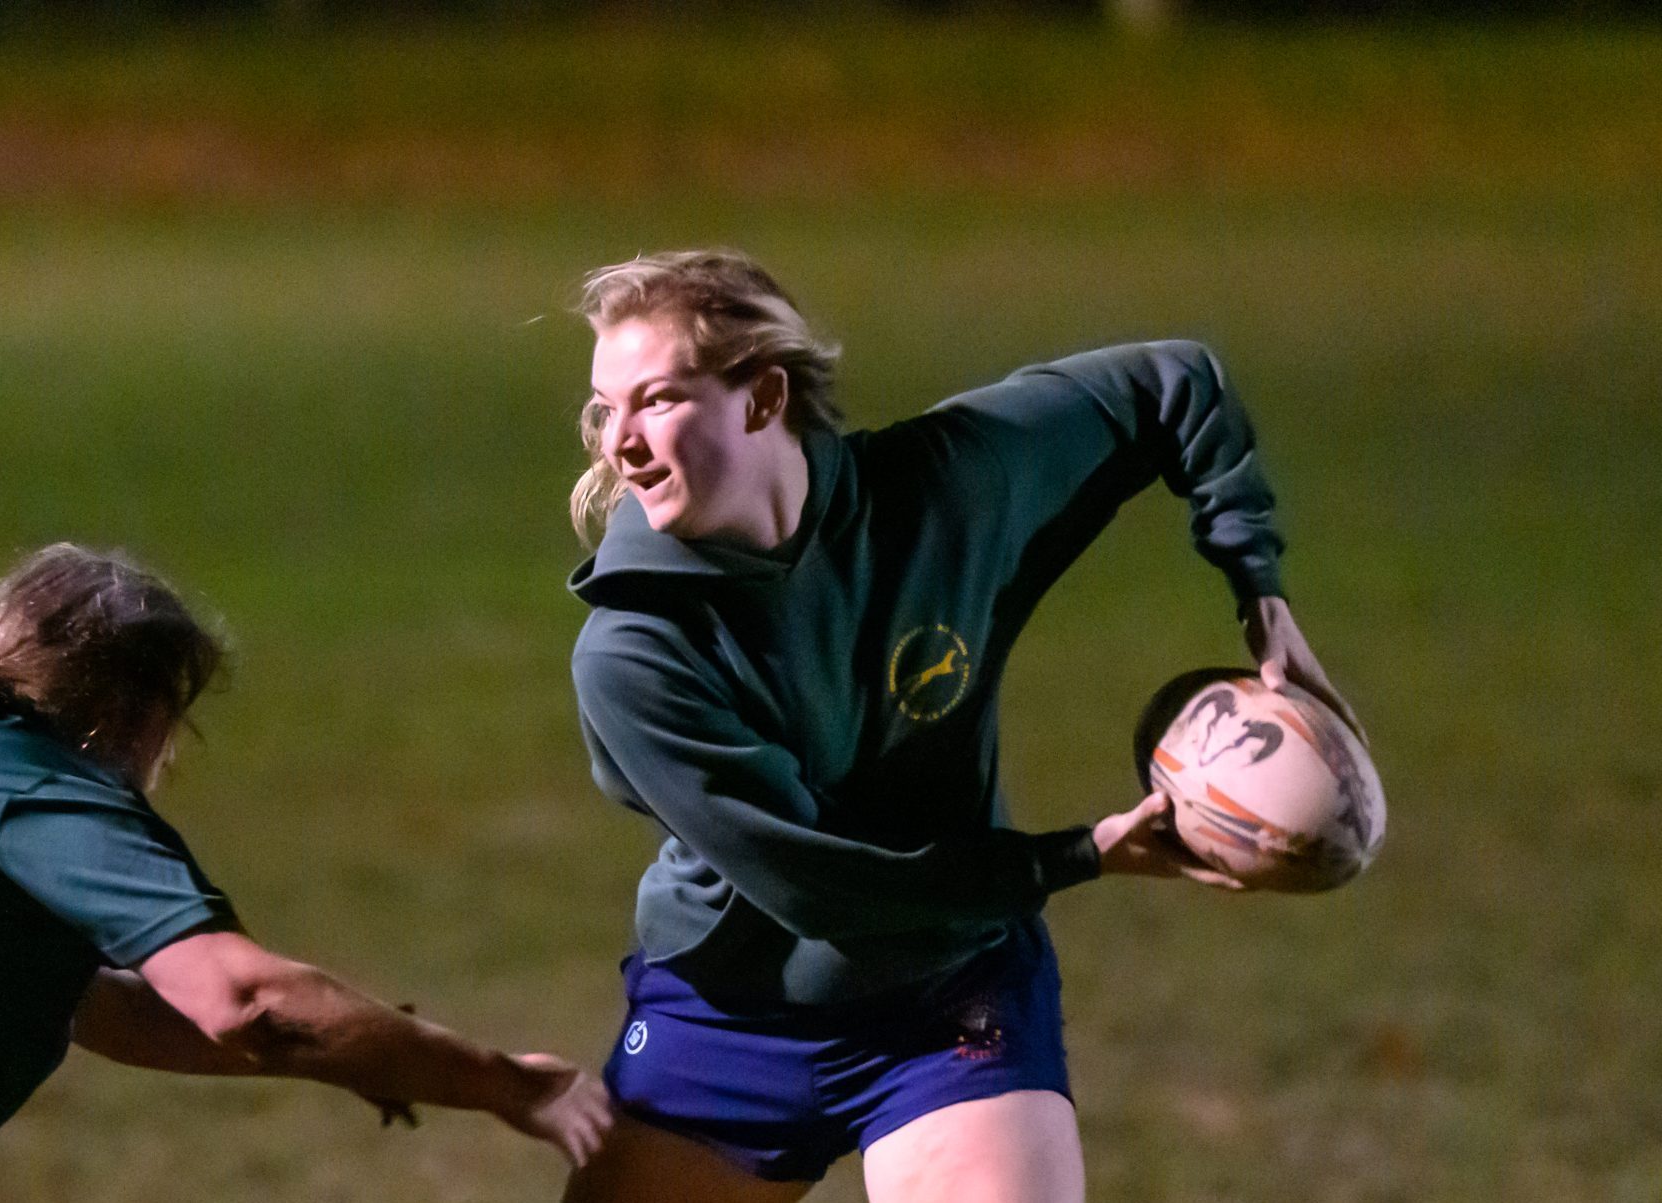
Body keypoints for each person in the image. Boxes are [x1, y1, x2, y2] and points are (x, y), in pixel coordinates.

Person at [559, 250, 1360, 1203]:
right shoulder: (635, 651)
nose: (621, 443)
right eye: (607, 409)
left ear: (763, 398)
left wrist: (1260, 596)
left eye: (657, 399)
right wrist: (1077, 855)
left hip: (950, 996)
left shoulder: (946, 488)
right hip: (726, 1022)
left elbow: (1176, 382)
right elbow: (824, 886)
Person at [0, 543, 612, 1196]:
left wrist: (367, 1051)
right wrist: (514, 1086)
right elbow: (243, 999)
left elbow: (99, 1007)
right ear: (125, 714)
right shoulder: (42, 793)